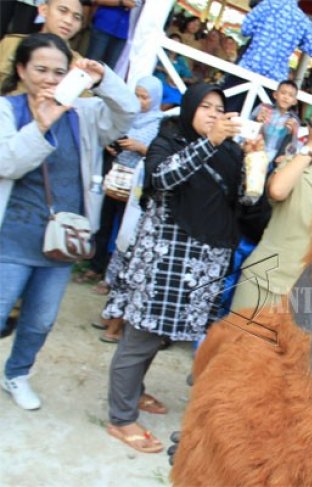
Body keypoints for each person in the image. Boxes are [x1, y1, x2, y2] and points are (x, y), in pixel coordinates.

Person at [0, 33, 138, 410]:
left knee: (40, 321)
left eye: (58, 71)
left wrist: (103, 77)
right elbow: (7, 162)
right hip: (10, 239)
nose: (49, 78)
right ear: (22, 69)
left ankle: (17, 374)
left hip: (62, 242)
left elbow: (127, 112)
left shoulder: (83, 113)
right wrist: (40, 126)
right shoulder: (6, 110)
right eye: (40, 69)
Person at [104, 84, 244, 453]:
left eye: (219, 108)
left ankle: (134, 392)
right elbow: (163, 177)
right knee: (140, 337)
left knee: (161, 337)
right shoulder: (169, 137)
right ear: (190, 109)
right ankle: (120, 417)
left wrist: (252, 162)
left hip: (203, 265)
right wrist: (208, 143)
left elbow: (238, 201)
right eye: (205, 107)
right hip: (164, 260)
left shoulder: (229, 151)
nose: (214, 114)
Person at [231, 112, 312, 311]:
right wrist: (311, 146)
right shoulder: (294, 163)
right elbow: (277, 191)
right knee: (235, 340)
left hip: (303, 294)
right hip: (261, 279)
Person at [84, 76, 163, 342]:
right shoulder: (126, 115)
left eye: (145, 97)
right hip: (115, 179)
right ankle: (105, 286)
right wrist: (112, 143)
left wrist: (141, 147)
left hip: (137, 190)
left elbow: (157, 155)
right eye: (137, 95)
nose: (140, 101)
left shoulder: (160, 125)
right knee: (113, 232)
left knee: (127, 242)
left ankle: (113, 317)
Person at [224, 0, 312, 111]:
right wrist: (296, 41)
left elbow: (245, 29)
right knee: (257, 120)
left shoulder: (267, 4)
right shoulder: (303, 21)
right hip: (274, 78)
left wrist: (261, 32)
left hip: (249, 66)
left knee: (226, 107)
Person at [0, 0, 85, 92]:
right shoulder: (11, 44)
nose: (68, 21)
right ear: (43, 10)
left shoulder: (79, 65)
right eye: (62, 11)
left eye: (76, 17)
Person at [251, 79, 300, 165]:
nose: (286, 97)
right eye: (283, 93)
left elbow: (293, 146)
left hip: (274, 160)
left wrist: (292, 133)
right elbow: (246, 128)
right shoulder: (263, 108)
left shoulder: (293, 120)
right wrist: (257, 122)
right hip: (254, 150)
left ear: (294, 101)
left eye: (290, 95)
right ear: (275, 95)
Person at [84, 0, 136, 70]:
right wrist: (122, 2)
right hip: (104, 25)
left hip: (124, 32)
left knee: (108, 70)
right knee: (91, 64)